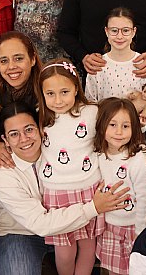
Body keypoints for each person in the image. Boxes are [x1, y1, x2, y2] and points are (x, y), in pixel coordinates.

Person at [0, 101, 129, 275]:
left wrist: (144, 153)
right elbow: (39, 223)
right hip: (19, 233)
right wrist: (93, 208)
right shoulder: (3, 172)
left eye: (29, 129)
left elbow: (116, 139)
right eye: (14, 134)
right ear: (5, 140)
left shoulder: (59, 150)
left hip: (73, 223)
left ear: (41, 128)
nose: (24, 139)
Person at [35, 59, 102, 275]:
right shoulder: (40, 116)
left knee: (88, 245)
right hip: (56, 192)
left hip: (88, 189)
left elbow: (115, 135)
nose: (58, 100)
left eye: (64, 91)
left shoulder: (92, 112)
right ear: (42, 94)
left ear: (76, 88)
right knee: (64, 251)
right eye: (50, 94)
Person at [94, 97, 146, 275]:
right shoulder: (98, 154)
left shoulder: (138, 159)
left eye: (125, 126)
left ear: (134, 128)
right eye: (112, 125)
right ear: (101, 125)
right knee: (113, 271)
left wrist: (141, 231)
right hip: (109, 227)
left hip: (133, 228)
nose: (119, 132)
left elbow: (144, 197)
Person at [84, 7, 146, 125]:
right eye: (114, 30)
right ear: (106, 31)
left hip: (135, 129)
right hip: (105, 130)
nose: (119, 36)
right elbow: (90, 101)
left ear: (134, 32)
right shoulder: (98, 65)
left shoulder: (143, 63)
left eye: (125, 30)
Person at [0, 31, 41, 167]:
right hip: (10, 163)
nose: (11, 66)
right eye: (4, 61)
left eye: (18, 58)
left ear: (32, 59)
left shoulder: (47, 89)